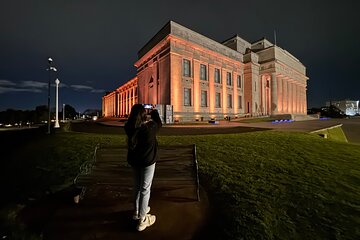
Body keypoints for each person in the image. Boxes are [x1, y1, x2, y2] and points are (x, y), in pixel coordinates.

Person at [124, 104, 162, 231]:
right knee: (145, 189)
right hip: (147, 162)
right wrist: (154, 111)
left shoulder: (129, 127)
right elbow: (159, 123)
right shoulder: (149, 128)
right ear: (144, 114)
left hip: (135, 161)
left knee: (137, 187)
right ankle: (143, 219)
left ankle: (137, 211)